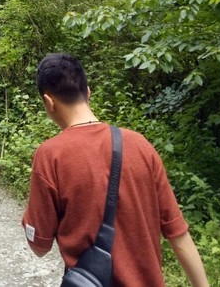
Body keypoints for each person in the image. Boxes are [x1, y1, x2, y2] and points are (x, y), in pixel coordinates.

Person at [22, 53, 210, 287]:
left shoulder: (50, 155)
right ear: (88, 93)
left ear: (49, 102)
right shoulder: (140, 145)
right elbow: (178, 234)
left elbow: (40, 246)